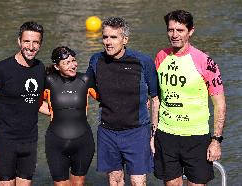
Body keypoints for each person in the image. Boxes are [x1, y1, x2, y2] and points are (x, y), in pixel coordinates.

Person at [153, 10, 226, 186]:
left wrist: (216, 140)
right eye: (171, 30)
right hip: (166, 135)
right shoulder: (160, 57)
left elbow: (220, 104)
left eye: (180, 30)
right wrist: (153, 133)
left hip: (196, 137)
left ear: (190, 31)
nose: (174, 35)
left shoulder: (205, 61)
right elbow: (157, 99)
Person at [86, 17, 159, 186]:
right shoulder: (96, 60)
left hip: (137, 132)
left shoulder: (142, 61)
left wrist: (154, 135)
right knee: (115, 180)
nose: (108, 42)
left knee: (137, 182)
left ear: (125, 39)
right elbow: (85, 87)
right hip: (108, 131)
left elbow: (155, 98)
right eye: (105, 37)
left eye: (114, 37)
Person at [0, 21, 45, 186]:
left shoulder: (40, 68)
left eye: (36, 42)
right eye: (27, 41)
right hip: (5, 141)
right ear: (19, 41)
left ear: (40, 44)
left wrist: (65, 111)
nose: (31, 46)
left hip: (29, 141)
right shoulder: (1, 70)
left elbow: (34, 102)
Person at [41, 46, 97, 186]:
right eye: (67, 63)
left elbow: (107, 98)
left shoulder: (85, 80)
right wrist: (52, 110)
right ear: (57, 66)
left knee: (78, 184)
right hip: (56, 143)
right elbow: (32, 101)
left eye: (74, 60)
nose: (73, 65)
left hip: (83, 142)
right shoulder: (48, 81)